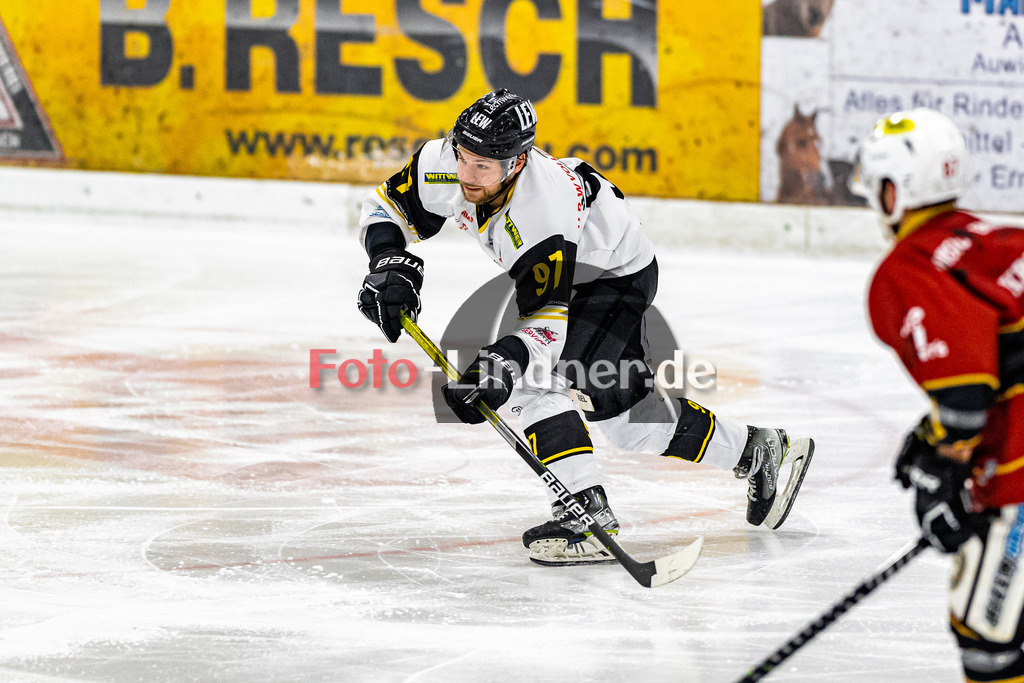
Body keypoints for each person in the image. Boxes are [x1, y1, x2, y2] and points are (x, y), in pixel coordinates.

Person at [357, 88, 814, 566]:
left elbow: (547, 327)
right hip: (571, 276)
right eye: (463, 157)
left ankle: (586, 514)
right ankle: (759, 450)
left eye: (483, 167)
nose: (466, 175)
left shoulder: (541, 212)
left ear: (515, 163)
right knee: (628, 424)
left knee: (531, 383)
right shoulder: (446, 162)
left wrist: (500, 366)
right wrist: (388, 264)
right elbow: (383, 208)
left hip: (613, 276)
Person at [851, 107, 1024, 682]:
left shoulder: (908, 268)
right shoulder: (994, 237)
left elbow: (968, 395)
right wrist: (933, 441)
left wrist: (945, 470)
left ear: (894, 190)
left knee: (985, 629)